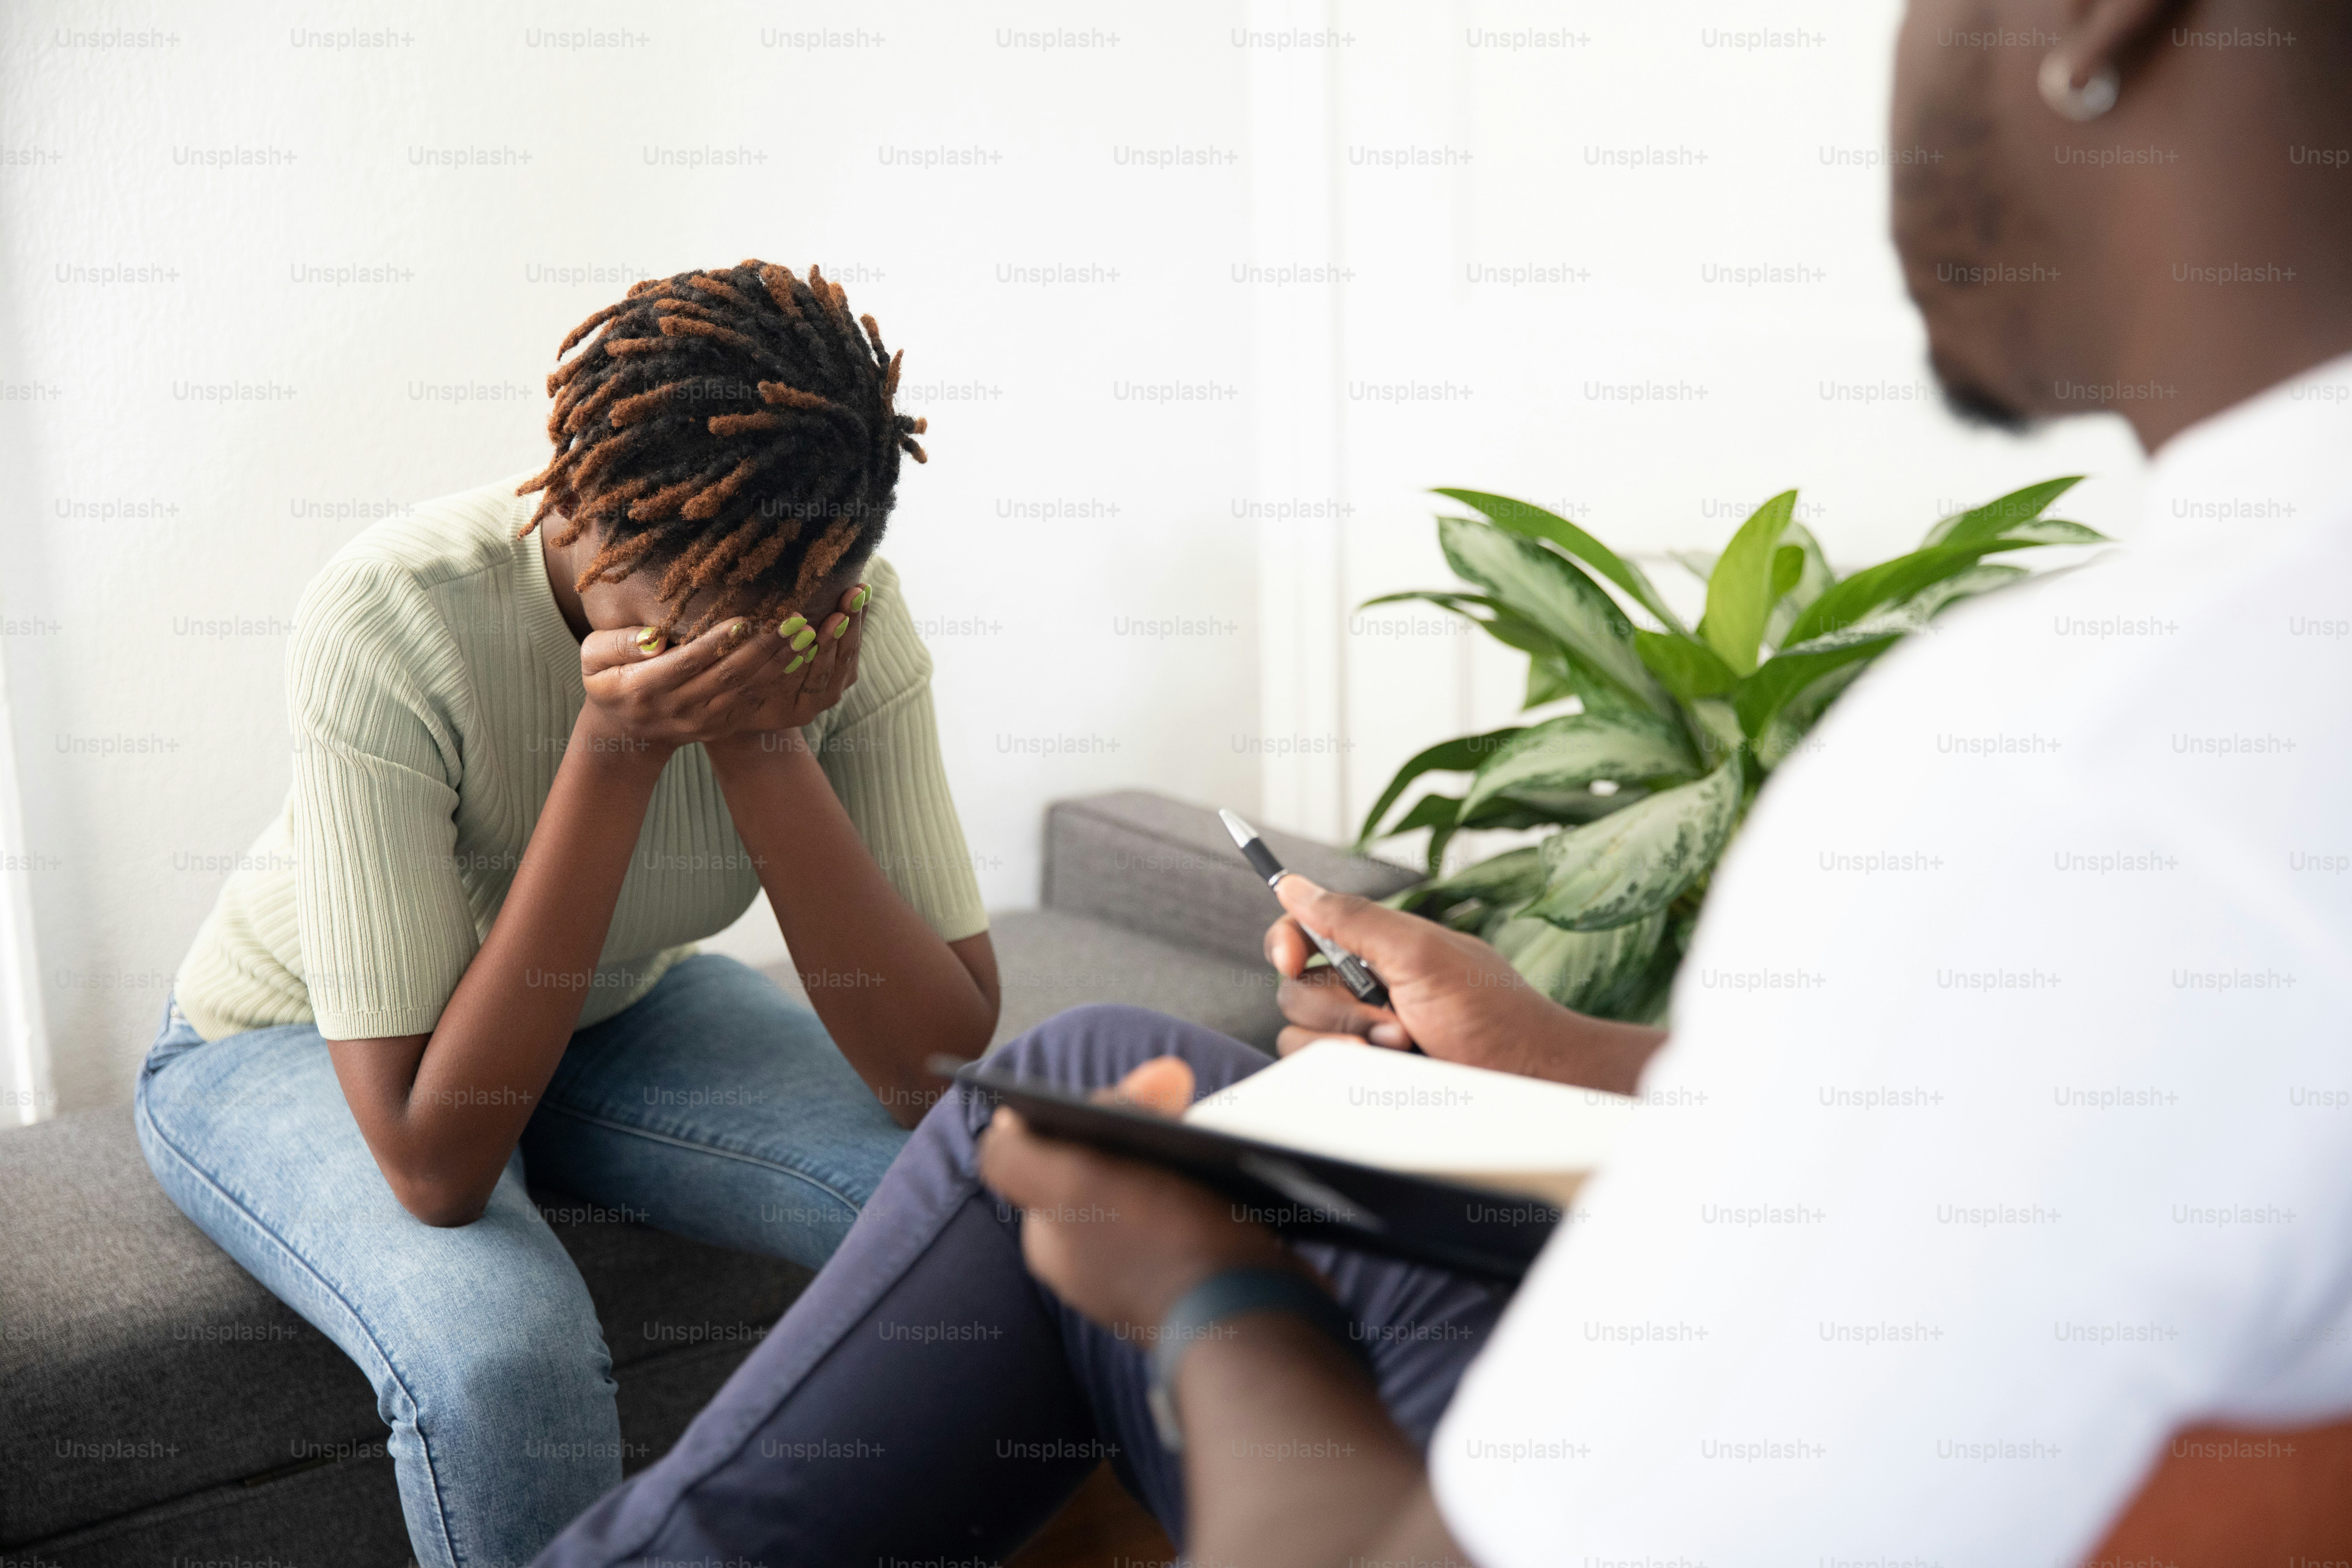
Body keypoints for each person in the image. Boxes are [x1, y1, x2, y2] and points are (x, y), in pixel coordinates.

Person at [537, 0, 2352, 1562]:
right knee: (1089, 1073)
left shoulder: (2084, 767)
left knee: (1082, 1144)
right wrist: (1564, 1053)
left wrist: (1202, 1289)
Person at [134, 261, 1001, 1568]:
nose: (763, 640)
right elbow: (435, 1163)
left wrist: (764, 742)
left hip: (619, 1004)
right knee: (505, 1353)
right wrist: (615, 749)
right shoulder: (394, 613)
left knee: (973, 1202)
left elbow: (938, 1075)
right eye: (713, 616)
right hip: (298, 1040)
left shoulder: (838, 613)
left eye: (799, 608)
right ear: (587, 505)